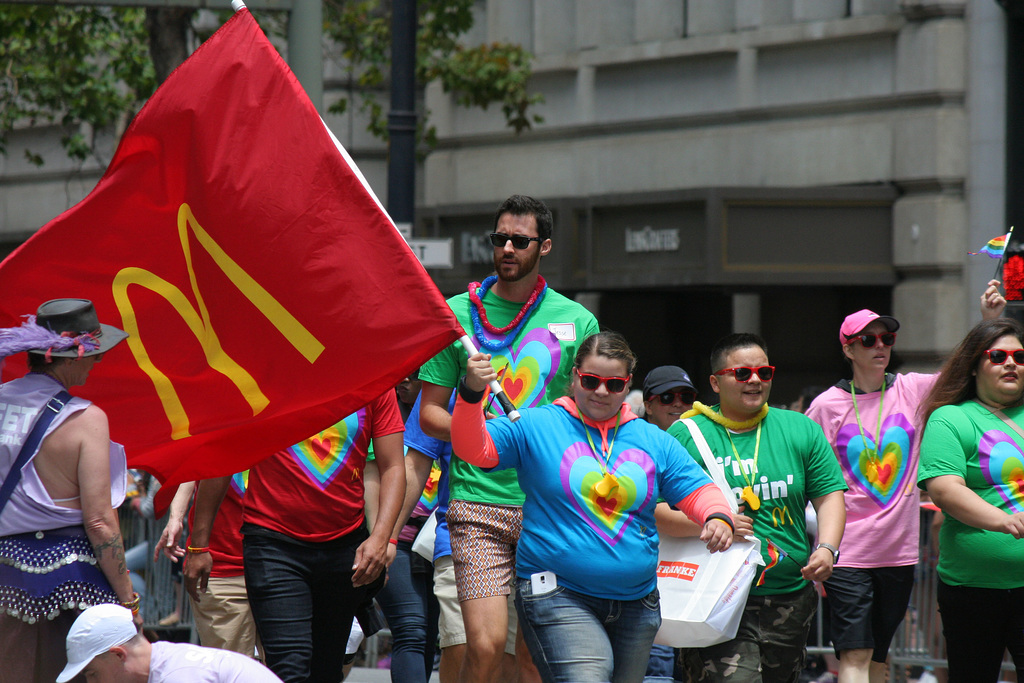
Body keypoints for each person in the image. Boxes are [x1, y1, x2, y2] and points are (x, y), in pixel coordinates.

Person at [453, 331, 736, 683]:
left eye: (614, 384)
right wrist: (469, 393)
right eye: (591, 380)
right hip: (556, 592)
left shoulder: (652, 439)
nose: (601, 391)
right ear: (574, 377)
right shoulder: (534, 425)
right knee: (589, 676)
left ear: (627, 384)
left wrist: (717, 516)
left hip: (638, 601)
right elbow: (471, 448)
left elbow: (696, 488)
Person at [419, 194, 600, 682]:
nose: (507, 249)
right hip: (476, 503)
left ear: (543, 247)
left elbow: (589, 416)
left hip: (549, 507)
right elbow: (429, 414)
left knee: (532, 658)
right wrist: (475, 412)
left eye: (519, 241)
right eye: (499, 239)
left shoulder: (578, 322)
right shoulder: (456, 314)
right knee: (484, 644)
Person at [804, 282, 1005, 683]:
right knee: (856, 655)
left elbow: (963, 370)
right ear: (848, 349)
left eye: (887, 338)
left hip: (898, 553)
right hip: (848, 552)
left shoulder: (912, 388)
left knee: (879, 657)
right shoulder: (826, 405)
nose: (880, 345)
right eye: (868, 339)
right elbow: (807, 473)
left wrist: (989, 322)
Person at [184, 390, 406, 683]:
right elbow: (223, 455)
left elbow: (393, 466)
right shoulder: (269, 369)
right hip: (272, 547)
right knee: (290, 667)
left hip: (343, 553)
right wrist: (198, 545)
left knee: (325, 672)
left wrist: (381, 538)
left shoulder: (377, 380)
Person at [667, 333, 847, 683]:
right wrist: (712, 521)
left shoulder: (800, 429)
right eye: (742, 373)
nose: (754, 381)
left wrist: (827, 547)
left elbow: (829, 495)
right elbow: (654, 512)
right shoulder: (685, 435)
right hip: (716, 595)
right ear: (715, 382)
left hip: (790, 597)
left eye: (763, 373)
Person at [0, 298, 140, 683]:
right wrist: (129, 599)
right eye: (93, 353)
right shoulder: (85, 418)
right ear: (69, 356)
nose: (97, 362)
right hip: (68, 585)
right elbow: (100, 521)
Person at [917, 317, 1024, 682]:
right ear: (976, 366)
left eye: (1019, 356)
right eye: (997, 355)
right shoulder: (951, 418)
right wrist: (1005, 520)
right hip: (973, 588)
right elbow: (944, 489)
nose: (1010, 363)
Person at [154, 474, 261, 659]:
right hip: (219, 566)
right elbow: (194, 466)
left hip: (284, 564)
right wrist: (175, 518)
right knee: (229, 669)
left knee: (287, 669)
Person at [57, 603, 282, 682]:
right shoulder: (165, 662)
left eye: (92, 674)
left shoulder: (177, 674)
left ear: (118, 655)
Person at [643, 365, 698, 432]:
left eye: (686, 396)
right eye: (667, 397)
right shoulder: (633, 439)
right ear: (648, 407)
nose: (678, 404)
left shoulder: (703, 437)